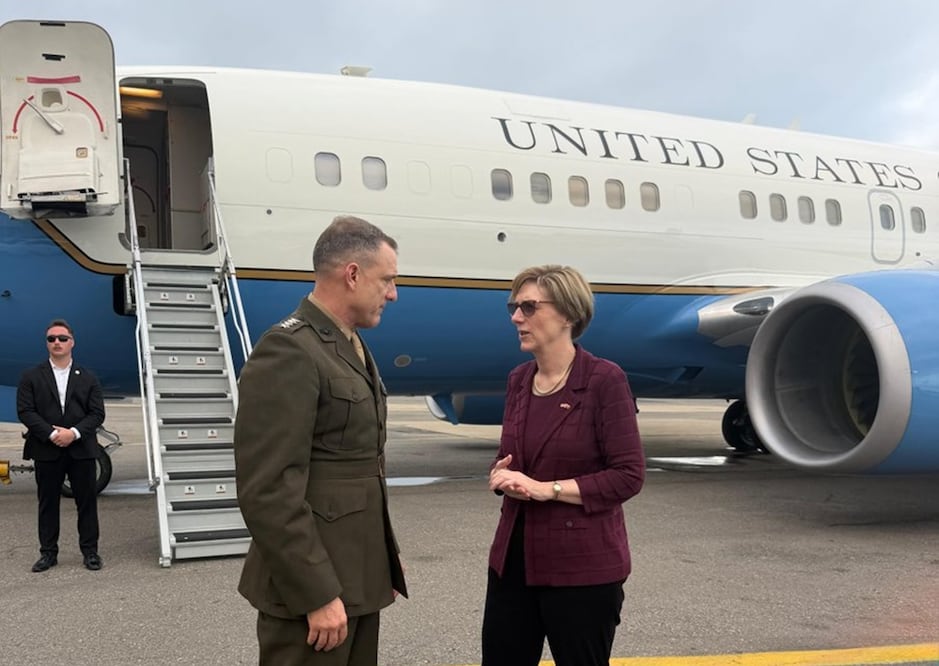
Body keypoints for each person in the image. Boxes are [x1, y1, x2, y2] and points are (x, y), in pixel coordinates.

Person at [234, 215, 407, 666]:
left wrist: (379, 565)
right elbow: (268, 489)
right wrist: (317, 593)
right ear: (352, 274)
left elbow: (358, 470)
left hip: (357, 579)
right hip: (313, 595)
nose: (393, 293)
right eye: (387, 280)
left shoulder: (347, 344)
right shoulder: (289, 349)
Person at [482, 265, 646, 666]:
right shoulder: (519, 380)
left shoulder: (604, 380)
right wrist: (501, 474)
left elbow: (628, 476)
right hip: (513, 563)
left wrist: (547, 489)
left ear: (568, 314)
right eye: (513, 307)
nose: (516, 317)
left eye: (529, 307)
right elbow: (513, 456)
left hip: (582, 570)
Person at [17, 319, 106, 573]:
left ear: (72, 342)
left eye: (62, 338)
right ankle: (48, 553)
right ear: (47, 343)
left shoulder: (88, 377)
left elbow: (97, 413)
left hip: (81, 450)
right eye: (51, 339)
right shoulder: (31, 376)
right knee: (47, 504)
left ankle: (90, 552)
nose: (57, 342)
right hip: (47, 449)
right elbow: (25, 411)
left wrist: (73, 433)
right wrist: (52, 434)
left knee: (86, 503)